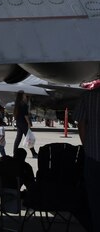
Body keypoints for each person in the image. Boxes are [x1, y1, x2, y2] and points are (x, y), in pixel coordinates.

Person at [75, 84, 100, 232]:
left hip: (93, 156)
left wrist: (87, 145)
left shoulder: (87, 97)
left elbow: (81, 123)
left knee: (95, 203)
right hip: (92, 155)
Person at [12, 91, 38, 159]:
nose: (25, 96)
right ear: (22, 96)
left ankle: (14, 153)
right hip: (23, 123)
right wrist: (29, 123)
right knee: (29, 138)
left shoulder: (17, 104)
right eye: (24, 95)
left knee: (18, 138)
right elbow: (25, 115)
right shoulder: (23, 104)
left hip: (18, 123)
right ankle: (34, 153)